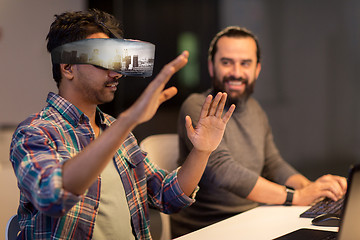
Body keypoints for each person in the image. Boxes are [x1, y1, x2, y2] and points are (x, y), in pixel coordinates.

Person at [9, 9, 235, 239]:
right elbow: (52, 196)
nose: (116, 73)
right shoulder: (35, 133)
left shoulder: (117, 130)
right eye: (103, 59)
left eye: (117, 61)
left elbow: (167, 196)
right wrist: (129, 120)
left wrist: (202, 151)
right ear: (67, 67)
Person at [170, 26, 347, 237]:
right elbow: (222, 170)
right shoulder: (199, 105)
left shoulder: (255, 110)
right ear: (211, 66)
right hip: (208, 229)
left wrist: (312, 189)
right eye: (226, 62)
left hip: (254, 219)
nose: (236, 72)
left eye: (245, 63)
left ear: (257, 69)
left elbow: (273, 163)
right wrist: (295, 197)